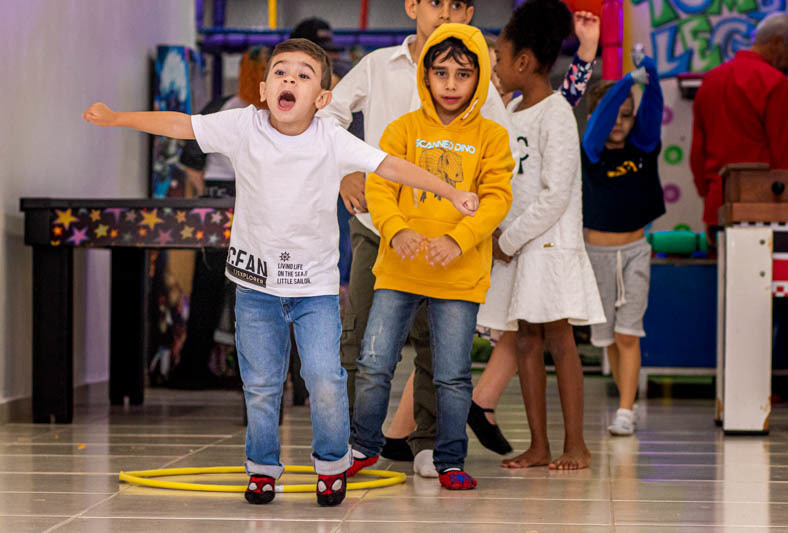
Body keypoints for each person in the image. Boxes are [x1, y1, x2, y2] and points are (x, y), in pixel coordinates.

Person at [83, 38, 478, 507]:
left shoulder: (331, 137)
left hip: (313, 291)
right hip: (254, 289)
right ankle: (262, 469)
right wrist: (117, 119)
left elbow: (390, 166)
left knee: (325, 379)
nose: (290, 79)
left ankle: (332, 465)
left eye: (304, 75)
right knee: (262, 385)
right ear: (264, 89)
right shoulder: (241, 127)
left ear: (323, 98)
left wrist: (450, 192)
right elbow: (181, 125)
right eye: (281, 72)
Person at [318, 0, 517, 477]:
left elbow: (499, 185)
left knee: (443, 359)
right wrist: (347, 175)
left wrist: (467, 236)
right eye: (435, 2)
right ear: (413, 6)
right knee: (364, 347)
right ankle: (350, 444)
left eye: (463, 75)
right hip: (382, 238)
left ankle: (433, 448)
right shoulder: (380, 72)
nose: (452, 83)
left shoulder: (486, 113)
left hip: (455, 257)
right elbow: (332, 120)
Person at [478, 0, 605, 470]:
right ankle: (540, 444)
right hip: (518, 248)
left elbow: (555, 196)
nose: (496, 68)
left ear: (524, 62)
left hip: (548, 247)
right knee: (526, 340)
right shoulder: (511, 110)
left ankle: (576, 444)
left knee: (559, 339)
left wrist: (507, 241)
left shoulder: (555, 114)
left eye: (500, 58)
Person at [168, 46, 269, 391]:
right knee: (253, 287)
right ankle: (251, 374)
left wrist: (210, 196)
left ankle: (195, 366)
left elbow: (191, 160)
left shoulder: (222, 108)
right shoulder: (275, 114)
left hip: (216, 199)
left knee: (210, 284)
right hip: (253, 198)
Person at [582, 54, 665, 435]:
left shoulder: (644, 148)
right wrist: (623, 84)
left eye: (626, 115)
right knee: (609, 339)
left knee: (628, 333)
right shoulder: (591, 153)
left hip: (634, 253)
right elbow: (600, 121)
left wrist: (649, 81)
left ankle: (627, 410)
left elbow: (652, 110)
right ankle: (623, 399)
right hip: (596, 255)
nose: (620, 122)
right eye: (615, 114)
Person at [691, 13, 788, 245]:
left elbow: (697, 154)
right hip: (766, 209)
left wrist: (708, 195)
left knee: (721, 278)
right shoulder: (777, 85)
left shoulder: (710, 80)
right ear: (777, 42)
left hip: (716, 206)